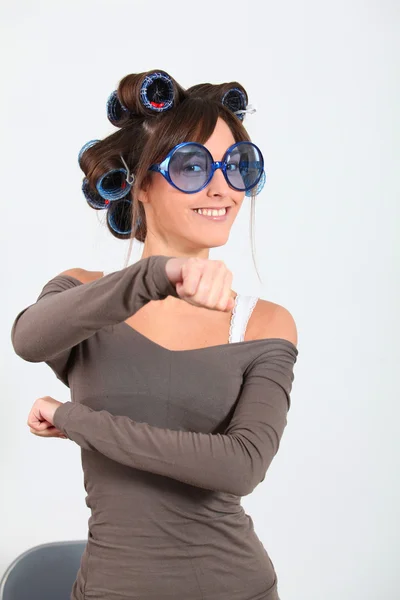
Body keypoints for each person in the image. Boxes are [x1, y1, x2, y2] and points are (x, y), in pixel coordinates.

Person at [11, 70, 298, 600]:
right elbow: (28, 340)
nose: (221, 188)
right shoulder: (84, 295)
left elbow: (239, 466)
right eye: (192, 166)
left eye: (237, 167)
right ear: (141, 183)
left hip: (236, 588)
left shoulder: (264, 322)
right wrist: (155, 276)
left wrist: (73, 418)